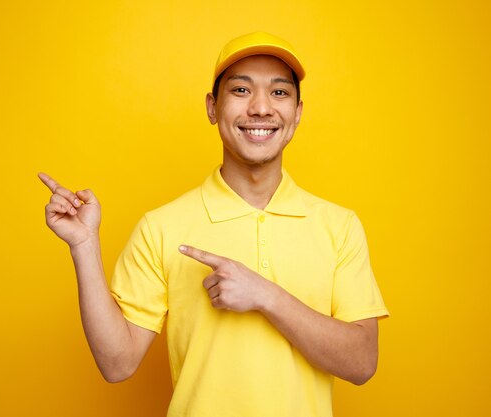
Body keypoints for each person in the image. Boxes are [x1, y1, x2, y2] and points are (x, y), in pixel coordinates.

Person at [38, 32, 389, 417]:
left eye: (279, 93)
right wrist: (84, 245)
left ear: (298, 112)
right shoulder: (162, 227)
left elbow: (361, 363)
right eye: (240, 90)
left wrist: (266, 296)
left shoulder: (340, 227)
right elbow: (117, 364)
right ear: (212, 107)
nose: (260, 108)